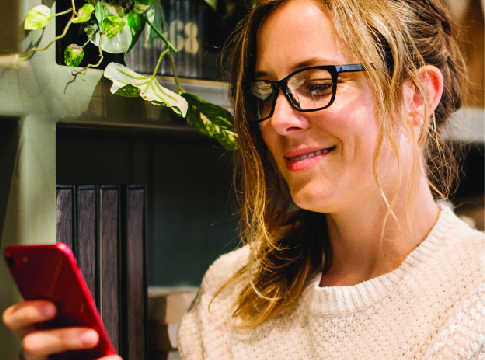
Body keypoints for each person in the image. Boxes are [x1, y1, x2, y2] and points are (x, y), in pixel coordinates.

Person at [3, 0, 484, 359]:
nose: (276, 119)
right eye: (264, 91)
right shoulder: (230, 296)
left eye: (316, 85)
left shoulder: (473, 300)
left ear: (416, 97)